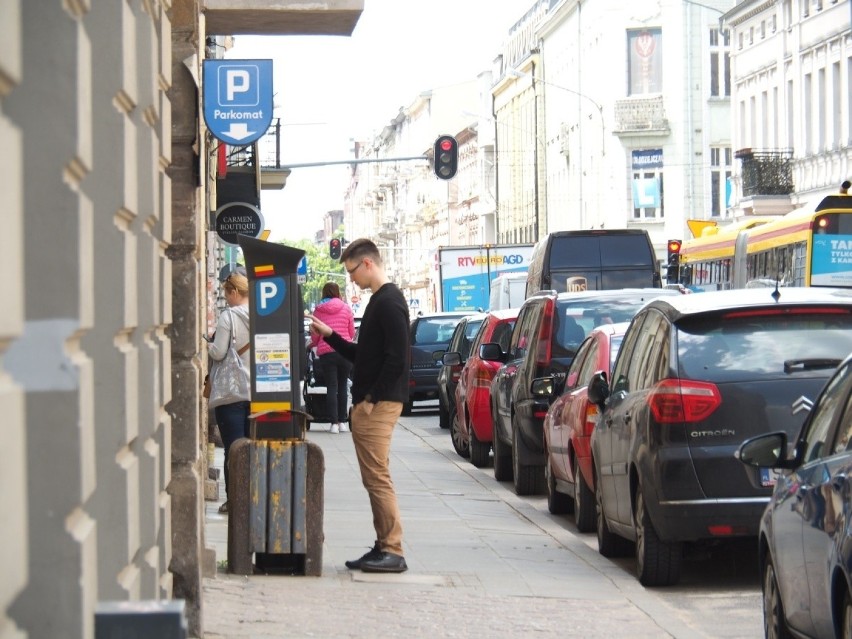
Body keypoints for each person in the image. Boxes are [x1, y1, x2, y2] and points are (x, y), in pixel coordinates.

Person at [308, 238, 411, 573]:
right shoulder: (380, 302)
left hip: (378, 404)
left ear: (367, 264)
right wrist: (330, 335)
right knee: (373, 477)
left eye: (352, 270)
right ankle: (383, 545)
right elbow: (362, 356)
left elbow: (398, 359)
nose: (351, 278)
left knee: (377, 477)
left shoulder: (390, 302)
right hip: (374, 401)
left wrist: (370, 399)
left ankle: (392, 550)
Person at [208, 271, 251, 515]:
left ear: (234, 292)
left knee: (234, 449)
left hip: (233, 393)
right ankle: (253, 497)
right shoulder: (261, 315)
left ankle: (234, 500)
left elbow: (219, 352)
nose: (227, 299)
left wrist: (208, 344)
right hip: (258, 394)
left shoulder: (229, 317)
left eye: (227, 294)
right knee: (253, 449)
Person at [309, 282, 355, 434]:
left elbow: (315, 335)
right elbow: (351, 332)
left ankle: (333, 423)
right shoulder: (346, 308)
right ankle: (342, 422)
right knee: (343, 386)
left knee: (331, 387)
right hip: (344, 351)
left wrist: (314, 343)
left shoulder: (318, 310)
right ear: (337, 292)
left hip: (327, 352)